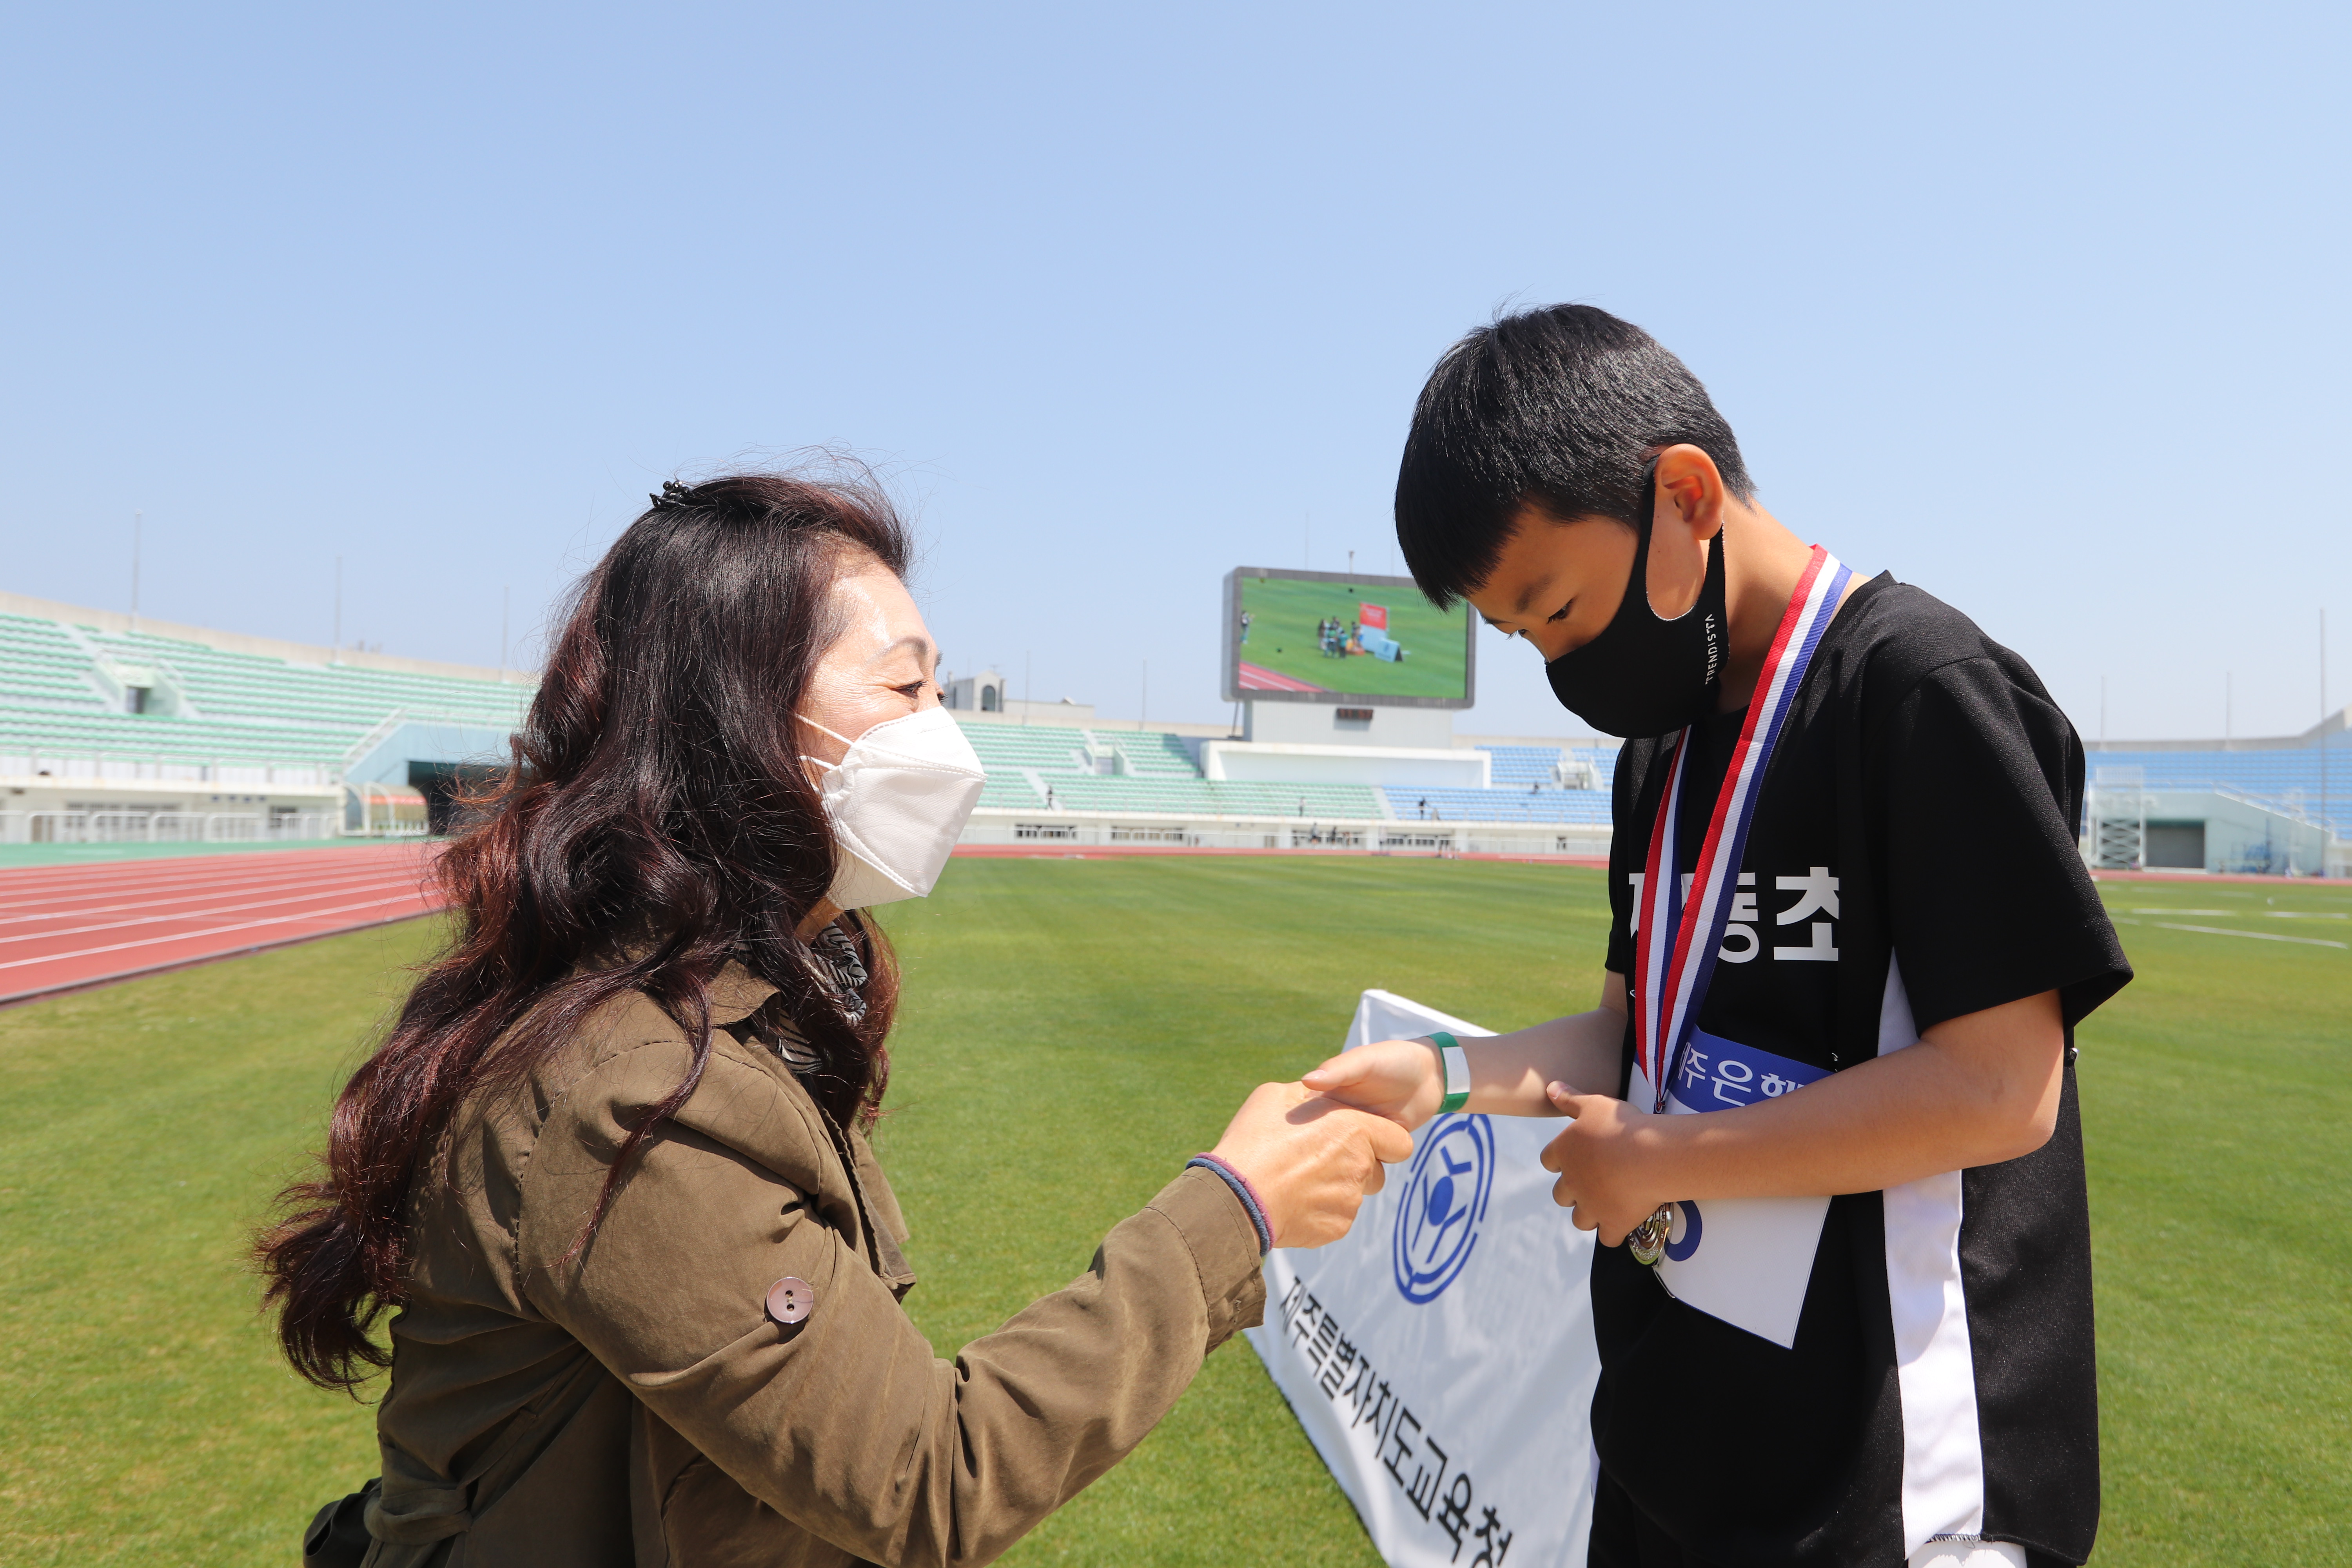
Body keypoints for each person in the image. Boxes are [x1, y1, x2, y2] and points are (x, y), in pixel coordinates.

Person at [260, 472, 1410, 1568]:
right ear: (739, 720)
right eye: (905, 691)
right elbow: (927, 1480)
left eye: (941, 692)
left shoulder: (732, 1001)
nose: (945, 736)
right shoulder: (633, 1096)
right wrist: (1235, 1210)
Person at [1306, 306, 2129, 1568]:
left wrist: (1670, 1158)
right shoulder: (1662, 749)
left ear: (1685, 496)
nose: (1559, 663)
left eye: (1558, 609)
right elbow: (1632, 1035)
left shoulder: (1918, 690)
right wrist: (1444, 1077)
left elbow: (2002, 1089)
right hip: (1674, 1441)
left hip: (1887, 1482)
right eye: (1525, 641)